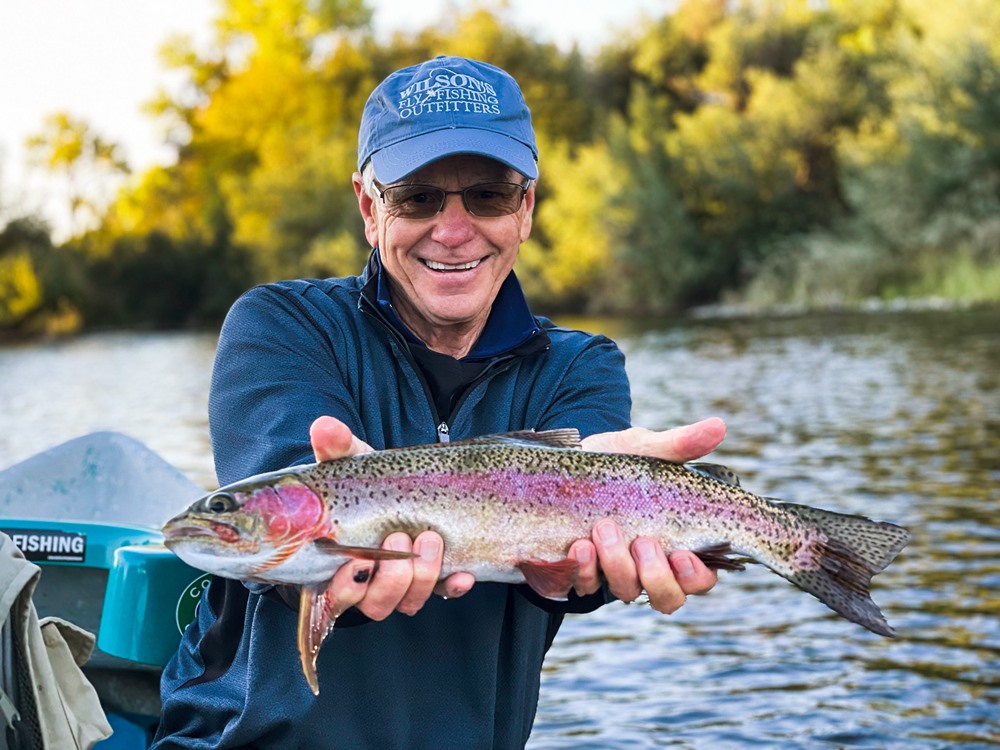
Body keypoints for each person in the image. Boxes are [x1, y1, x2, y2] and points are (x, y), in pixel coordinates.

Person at [152, 56, 725, 749]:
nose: (453, 231)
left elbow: (578, 568)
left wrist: (604, 556)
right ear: (370, 209)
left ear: (526, 209)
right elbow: (291, 518)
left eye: (486, 196)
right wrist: (349, 542)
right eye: (417, 198)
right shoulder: (280, 325)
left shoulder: (582, 365)